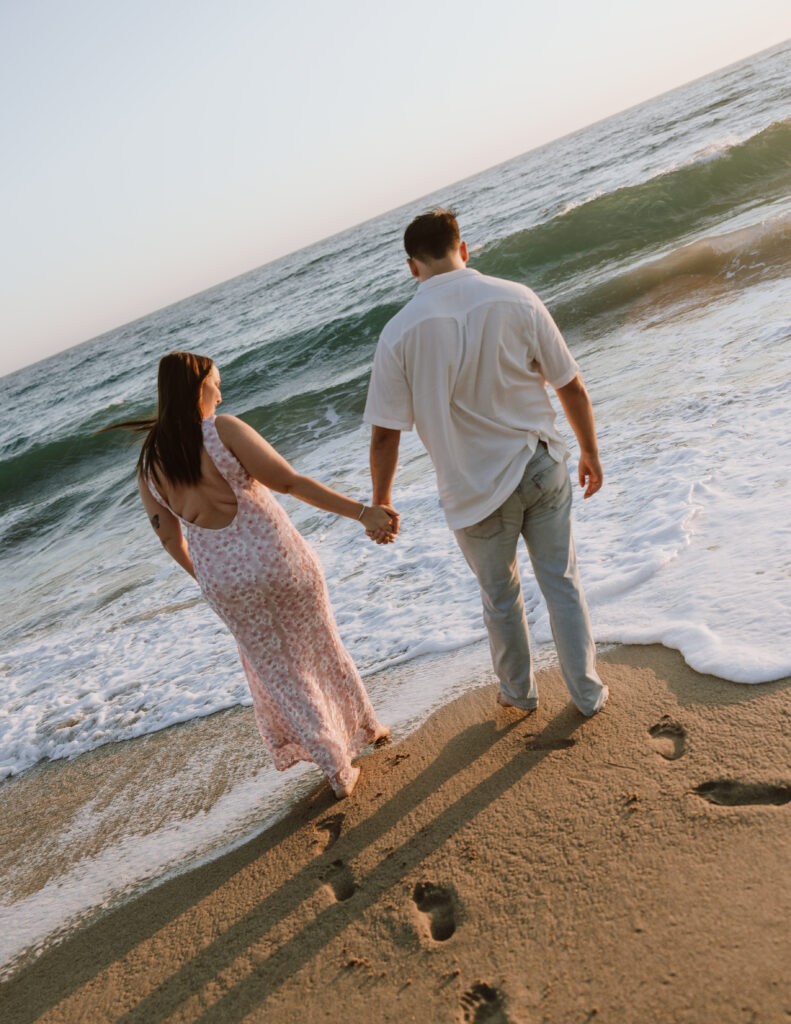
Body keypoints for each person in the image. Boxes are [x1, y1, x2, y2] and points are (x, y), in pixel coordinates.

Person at [115, 351, 396, 798]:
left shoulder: (150, 465)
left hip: (224, 584)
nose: (220, 391)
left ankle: (341, 756)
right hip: (279, 560)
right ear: (197, 387)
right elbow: (287, 482)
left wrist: (210, 579)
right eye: (215, 382)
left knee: (281, 672)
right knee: (322, 645)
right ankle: (356, 741)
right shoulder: (222, 430)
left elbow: (170, 538)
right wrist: (363, 513)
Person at [363, 209, 608, 718]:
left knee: (501, 599)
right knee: (561, 582)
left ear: (413, 267)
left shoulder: (399, 332)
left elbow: (386, 433)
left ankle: (519, 697)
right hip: (539, 465)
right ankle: (587, 695)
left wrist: (381, 501)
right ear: (464, 248)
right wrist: (589, 450)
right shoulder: (517, 297)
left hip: (472, 489)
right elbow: (570, 384)